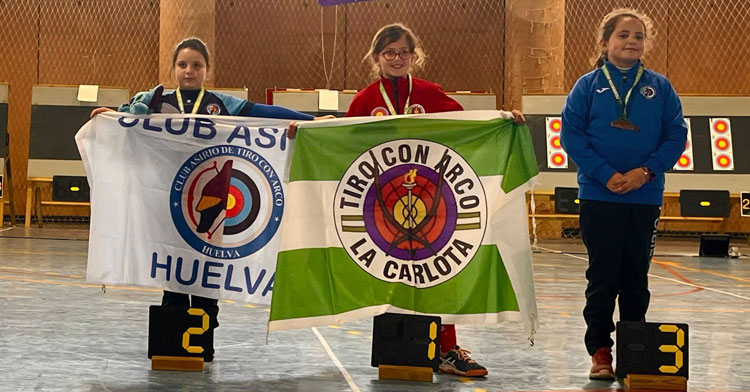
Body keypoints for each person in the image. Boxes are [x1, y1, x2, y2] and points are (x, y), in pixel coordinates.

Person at [91, 37, 329, 359]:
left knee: (207, 275)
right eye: (183, 64)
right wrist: (109, 117)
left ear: (207, 70)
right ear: (174, 68)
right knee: (173, 275)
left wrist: (310, 121)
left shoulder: (221, 103)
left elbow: (264, 112)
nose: (189, 71)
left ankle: (203, 342)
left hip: (213, 204)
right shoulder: (154, 100)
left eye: (197, 65)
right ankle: (174, 347)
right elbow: (124, 120)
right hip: (166, 203)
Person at [342, 23, 524, 378]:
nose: (397, 59)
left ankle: (446, 348)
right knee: (391, 275)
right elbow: (345, 142)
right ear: (377, 57)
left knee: (435, 276)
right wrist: (316, 129)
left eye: (403, 52)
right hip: (382, 207)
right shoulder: (364, 100)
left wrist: (504, 119)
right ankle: (402, 347)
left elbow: (470, 123)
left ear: (414, 56)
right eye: (389, 53)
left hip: (429, 206)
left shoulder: (430, 94)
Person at [560, 9, 687, 381]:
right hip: (600, 197)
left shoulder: (660, 88)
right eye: (623, 35)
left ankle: (635, 348)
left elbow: (676, 136)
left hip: (644, 197)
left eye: (639, 36)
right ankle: (600, 350)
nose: (632, 41)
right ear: (604, 43)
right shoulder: (587, 86)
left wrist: (645, 172)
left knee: (636, 277)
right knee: (603, 276)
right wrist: (606, 174)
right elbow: (572, 137)